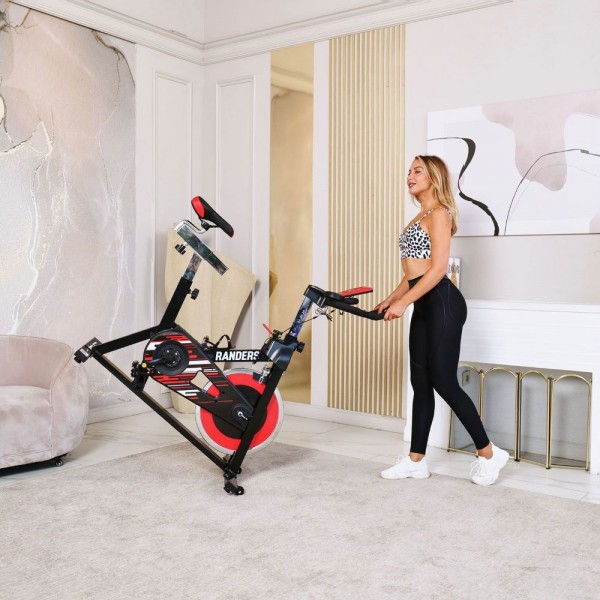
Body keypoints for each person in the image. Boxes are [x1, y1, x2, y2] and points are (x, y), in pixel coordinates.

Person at [375, 155, 509, 486]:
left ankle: (489, 453)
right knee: (420, 383)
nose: (410, 175)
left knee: (443, 381)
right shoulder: (418, 216)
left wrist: (404, 302)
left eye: (417, 171)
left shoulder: (440, 214)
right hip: (423, 304)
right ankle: (416, 461)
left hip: (442, 304)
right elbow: (413, 271)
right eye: (409, 171)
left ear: (434, 177)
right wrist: (392, 298)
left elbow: (436, 270)